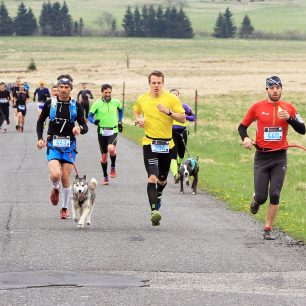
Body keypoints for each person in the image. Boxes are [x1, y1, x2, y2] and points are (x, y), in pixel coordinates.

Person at [238, 76, 305, 240]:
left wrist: (289, 118)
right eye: (272, 87)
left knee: (275, 194)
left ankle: (267, 229)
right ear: (267, 90)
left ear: (281, 89)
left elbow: (302, 129)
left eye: (278, 87)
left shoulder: (289, 108)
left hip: (279, 157)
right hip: (261, 157)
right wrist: (245, 139)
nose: (275, 90)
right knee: (262, 197)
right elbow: (242, 127)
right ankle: (256, 199)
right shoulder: (257, 107)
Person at [133, 71, 186, 226]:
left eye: (159, 83)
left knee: (162, 180)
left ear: (163, 83)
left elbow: (182, 118)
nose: (156, 85)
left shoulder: (172, 99)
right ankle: (154, 211)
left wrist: (168, 112)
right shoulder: (142, 99)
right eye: (153, 83)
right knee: (152, 177)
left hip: (167, 145)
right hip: (149, 143)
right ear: (149, 83)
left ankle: (160, 193)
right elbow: (136, 111)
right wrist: (138, 121)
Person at [36, 74, 88, 219]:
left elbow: (84, 125)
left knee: (65, 177)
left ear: (71, 89)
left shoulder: (76, 106)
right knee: (55, 175)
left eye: (66, 87)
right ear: (57, 88)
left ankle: (64, 208)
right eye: (61, 87)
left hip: (69, 147)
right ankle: (55, 187)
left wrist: (80, 129)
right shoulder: (50, 103)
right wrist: (40, 138)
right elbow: (40, 122)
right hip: (53, 145)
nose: (63, 90)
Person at [88, 84, 123, 185]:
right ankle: (105, 176)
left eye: (109, 92)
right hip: (102, 132)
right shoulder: (97, 104)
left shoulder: (116, 102)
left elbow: (120, 110)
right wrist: (94, 121)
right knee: (104, 156)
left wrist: (120, 121)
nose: (107, 94)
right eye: (105, 92)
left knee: (111, 149)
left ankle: (113, 166)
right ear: (102, 92)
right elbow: (90, 116)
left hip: (113, 130)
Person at [169, 88, 195, 183]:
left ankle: (179, 166)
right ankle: (176, 175)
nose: (175, 96)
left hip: (183, 132)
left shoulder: (183, 106)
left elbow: (193, 118)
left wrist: (184, 116)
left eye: (176, 94)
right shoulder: (167, 107)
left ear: (178, 96)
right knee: (173, 154)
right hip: (171, 132)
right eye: (172, 95)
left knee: (181, 153)